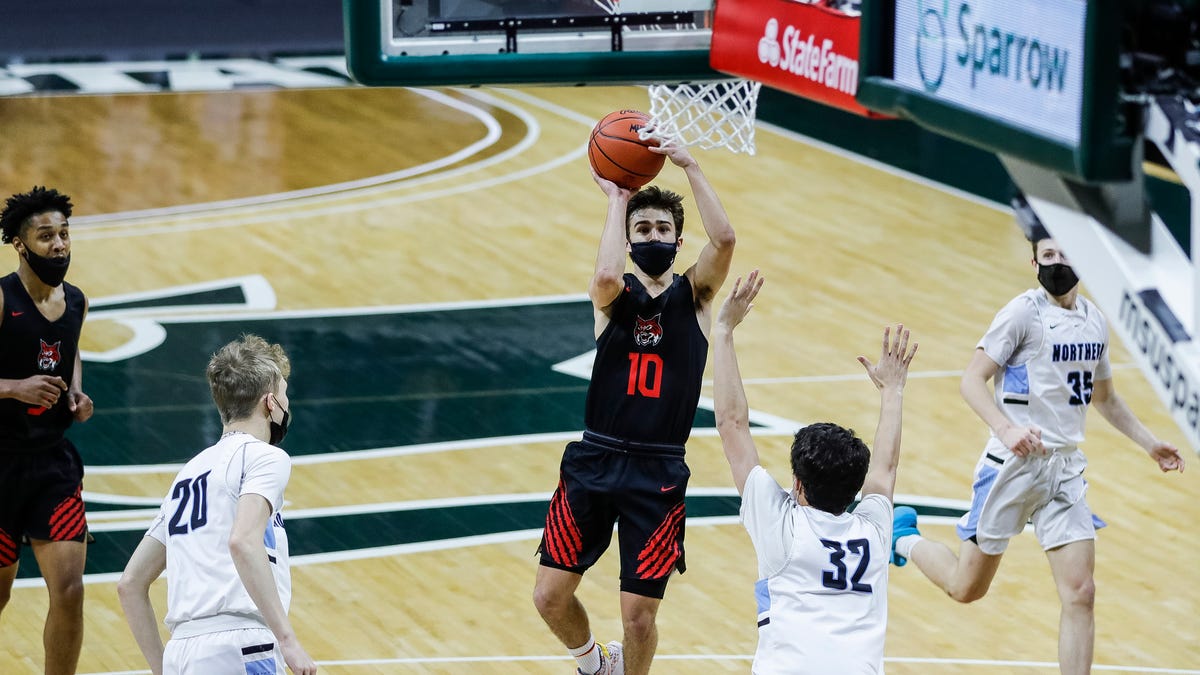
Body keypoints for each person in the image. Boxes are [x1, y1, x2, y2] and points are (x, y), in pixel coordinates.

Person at [890, 226, 1186, 675]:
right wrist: (1006, 430)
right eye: (1047, 254)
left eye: (1065, 254)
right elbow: (972, 381)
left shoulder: (1094, 321)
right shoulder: (1021, 315)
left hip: (1064, 471)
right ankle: (904, 538)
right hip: (1013, 465)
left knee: (1081, 593)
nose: (1056, 262)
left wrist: (1149, 444)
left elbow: (1103, 398)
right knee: (965, 588)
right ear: (1034, 264)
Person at [533, 144, 736, 675]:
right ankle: (594, 664)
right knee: (549, 597)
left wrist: (691, 166)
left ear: (677, 239)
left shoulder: (694, 295)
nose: (652, 237)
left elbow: (726, 240)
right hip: (594, 458)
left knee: (639, 620)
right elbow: (603, 276)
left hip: (659, 469)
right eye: (641, 230)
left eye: (661, 230)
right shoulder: (613, 295)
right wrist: (617, 201)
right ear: (628, 238)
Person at [713, 270, 918, 673]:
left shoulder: (782, 527)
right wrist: (893, 392)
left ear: (798, 483)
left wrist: (723, 331)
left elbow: (731, 423)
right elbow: (886, 469)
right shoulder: (874, 533)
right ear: (855, 489)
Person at [117, 334, 318, 675]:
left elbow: (130, 584)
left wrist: (162, 669)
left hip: (182, 652)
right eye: (285, 395)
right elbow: (243, 540)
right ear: (270, 403)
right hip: (241, 644)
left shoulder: (188, 473)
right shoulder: (265, 458)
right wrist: (288, 640)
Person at [0, 186, 94, 675]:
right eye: (45, 236)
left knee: (71, 591)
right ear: (20, 244)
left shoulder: (75, 300)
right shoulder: (1, 299)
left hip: (52, 465)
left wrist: (76, 392)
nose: (59, 245)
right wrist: (14, 387)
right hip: (0, 465)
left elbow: (70, 348)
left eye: (63, 233)